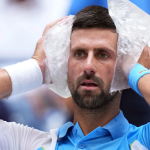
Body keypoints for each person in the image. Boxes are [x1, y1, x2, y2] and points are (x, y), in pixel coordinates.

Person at [0, 5, 150, 150]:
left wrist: (134, 70)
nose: (88, 66)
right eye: (79, 54)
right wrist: (36, 69)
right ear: (64, 66)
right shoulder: (27, 143)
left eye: (103, 54)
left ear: (122, 68)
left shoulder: (143, 141)